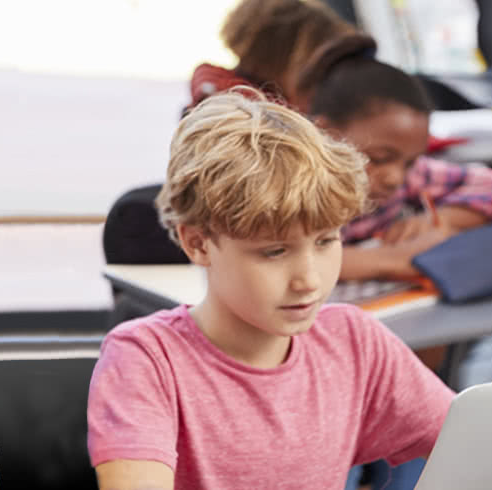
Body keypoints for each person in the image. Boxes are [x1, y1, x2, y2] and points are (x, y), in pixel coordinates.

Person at [87, 88, 455, 489]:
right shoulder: (145, 360)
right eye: (275, 252)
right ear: (197, 243)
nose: (309, 280)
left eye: (326, 241)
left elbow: (475, 443)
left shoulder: (354, 341)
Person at [298, 37, 492, 280]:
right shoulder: (287, 188)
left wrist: (445, 218)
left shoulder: (411, 177)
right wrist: (394, 259)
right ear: (324, 134)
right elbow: (286, 261)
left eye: (409, 162)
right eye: (379, 158)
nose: (396, 178)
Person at [187, 0, 361, 111]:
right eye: (311, 57)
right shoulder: (244, 111)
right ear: (282, 58)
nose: (317, 70)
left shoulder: (222, 92)